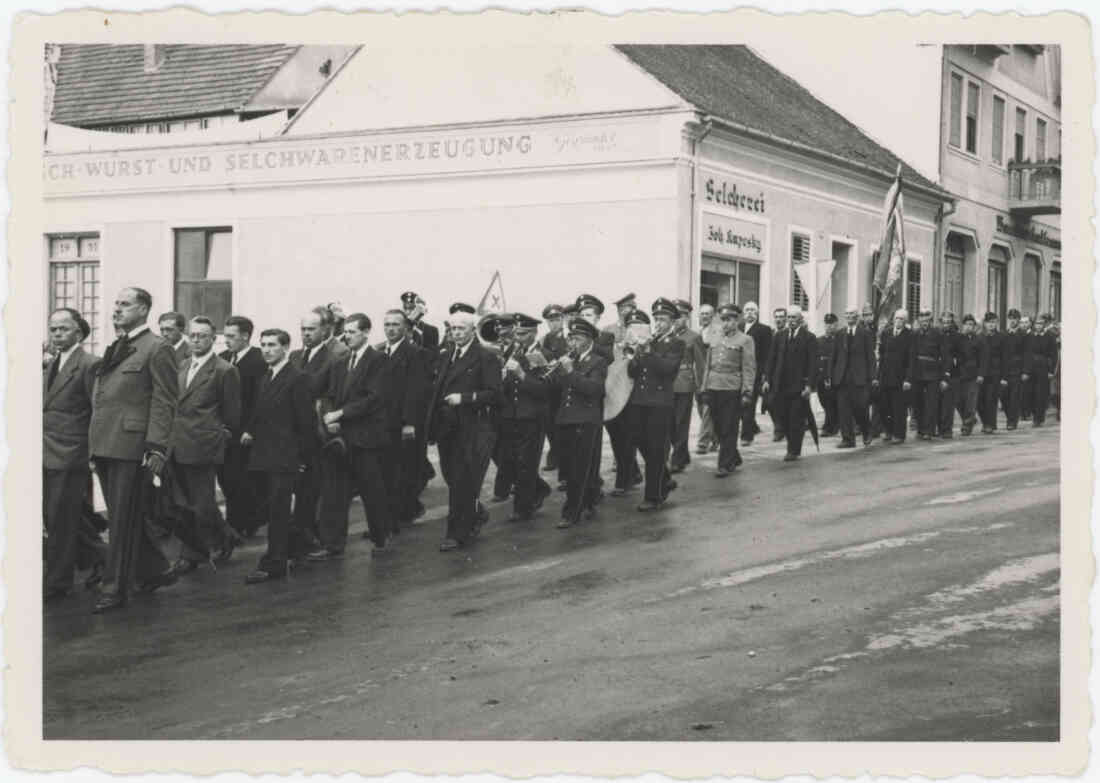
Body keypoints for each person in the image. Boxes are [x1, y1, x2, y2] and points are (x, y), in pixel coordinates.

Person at [88, 287, 178, 612]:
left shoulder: (157, 348)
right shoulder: (119, 346)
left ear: (143, 310)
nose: (116, 310)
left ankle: (114, 588)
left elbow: (165, 400)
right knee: (128, 516)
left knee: (121, 520)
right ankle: (154, 569)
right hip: (105, 442)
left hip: (132, 445)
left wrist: (156, 447)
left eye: (124, 304)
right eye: (115, 303)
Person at [311, 313, 393, 559]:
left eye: (352, 332)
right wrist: (329, 417)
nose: (347, 336)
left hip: (366, 438)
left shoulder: (378, 360)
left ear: (366, 332)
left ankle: (382, 539)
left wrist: (340, 414)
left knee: (372, 491)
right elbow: (328, 394)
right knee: (334, 492)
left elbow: (373, 398)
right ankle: (332, 543)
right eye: (345, 332)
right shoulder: (340, 362)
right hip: (341, 439)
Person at [166, 317, 243, 574]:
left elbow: (232, 414)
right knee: (182, 503)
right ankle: (225, 535)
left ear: (213, 339)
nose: (196, 340)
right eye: (193, 335)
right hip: (176, 444)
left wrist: (218, 437)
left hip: (203, 444)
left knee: (202, 503)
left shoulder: (223, 370)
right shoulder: (182, 365)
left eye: (202, 336)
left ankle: (192, 554)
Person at [242, 329, 316, 584]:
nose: (266, 350)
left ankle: (275, 563)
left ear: (285, 348)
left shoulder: (297, 378)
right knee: (273, 508)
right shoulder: (267, 377)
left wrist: (303, 459)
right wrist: (250, 431)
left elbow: (306, 422)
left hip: (286, 457)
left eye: (272, 345)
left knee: (278, 511)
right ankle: (299, 548)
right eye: (263, 345)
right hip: (266, 454)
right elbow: (262, 412)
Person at [427, 309, 501, 551]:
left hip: (473, 427)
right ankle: (475, 513)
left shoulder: (485, 356)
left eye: (461, 328)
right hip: (447, 427)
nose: (456, 333)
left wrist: (466, 398)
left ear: (472, 330)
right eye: (453, 328)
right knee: (451, 477)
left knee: (461, 481)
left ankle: (457, 533)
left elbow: (495, 394)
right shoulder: (446, 355)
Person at [43, 308, 101, 601]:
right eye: (53, 329)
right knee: (64, 517)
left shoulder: (89, 365)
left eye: (62, 329)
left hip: (70, 453)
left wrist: (91, 452)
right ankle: (102, 558)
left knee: (60, 520)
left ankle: (58, 582)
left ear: (78, 332)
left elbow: (97, 410)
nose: (56, 335)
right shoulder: (53, 363)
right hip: (45, 451)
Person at [287, 306, 350, 556]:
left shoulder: (335, 358)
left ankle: (330, 541)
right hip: (299, 432)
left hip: (322, 431)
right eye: (303, 329)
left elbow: (335, 394)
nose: (306, 334)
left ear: (325, 330)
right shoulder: (295, 356)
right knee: (304, 488)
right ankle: (306, 536)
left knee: (329, 490)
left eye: (311, 329)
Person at [625, 299, 684, 511]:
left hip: (660, 402)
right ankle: (664, 477)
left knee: (657, 449)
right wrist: (634, 355)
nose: (658, 323)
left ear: (672, 322)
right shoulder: (648, 341)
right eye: (656, 319)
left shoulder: (676, 343)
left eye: (663, 319)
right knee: (639, 441)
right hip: (640, 400)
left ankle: (654, 496)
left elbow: (667, 370)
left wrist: (648, 351)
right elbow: (633, 372)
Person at [497, 313, 552, 522]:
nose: (517, 337)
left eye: (522, 334)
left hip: (532, 416)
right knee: (510, 461)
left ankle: (523, 508)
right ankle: (539, 490)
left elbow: (544, 389)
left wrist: (521, 374)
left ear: (534, 333)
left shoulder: (541, 354)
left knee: (526, 464)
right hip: (512, 415)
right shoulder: (512, 352)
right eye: (516, 333)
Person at [584, 292, 640, 496]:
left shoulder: (635, 329)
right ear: (618, 310)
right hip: (608, 389)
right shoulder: (609, 331)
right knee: (616, 434)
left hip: (627, 387)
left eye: (633, 307)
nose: (630, 311)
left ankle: (625, 480)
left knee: (623, 435)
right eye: (626, 308)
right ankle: (631, 473)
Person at [377, 309, 429, 530]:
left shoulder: (414, 353)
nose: (390, 329)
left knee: (401, 471)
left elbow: (415, 390)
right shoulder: (381, 352)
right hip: (383, 422)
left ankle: (398, 516)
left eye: (396, 325)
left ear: (406, 329)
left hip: (402, 422)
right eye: (387, 324)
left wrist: (409, 422)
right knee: (386, 470)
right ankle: (398, 512)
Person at [553, 318, 607, 528]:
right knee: (570, 466)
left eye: (576, 338)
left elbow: (594, 390)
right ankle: (590, 500)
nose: (572, 343)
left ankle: (571, 512)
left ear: (588, 339)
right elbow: (558, 388)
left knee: (580, 468)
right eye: (571, 338)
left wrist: (569, 372)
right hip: (566, 418)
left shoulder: (598, 361)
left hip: (585, 420)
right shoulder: (570, 359)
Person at [218, 316, 267, 538]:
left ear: (246, 336)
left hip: (246, 431)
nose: (226, 341)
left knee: (244, 480)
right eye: (225, 336)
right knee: (226, 478)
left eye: (231, 336)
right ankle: (235, 524)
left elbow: (261, 399)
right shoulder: (223, 358)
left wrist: (252, 429)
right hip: (224, 431)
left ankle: (245, 523)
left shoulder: (259, 360)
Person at [698, 303, 756, 477]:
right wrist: (704, 387)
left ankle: (724, 464)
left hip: (732, 388)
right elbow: (708, 365)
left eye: (729, 320)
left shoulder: (745, 340)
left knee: (729, 427)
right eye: (723, 320)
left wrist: (747, 391)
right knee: (716, 425)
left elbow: (749, 367)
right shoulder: (715, 338)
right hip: (713, 386)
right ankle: (733, 456)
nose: (726, 323)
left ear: (737, 320)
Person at [763, 305, 816, 462]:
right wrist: (767, 379)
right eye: (789, 318)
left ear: (800, 319)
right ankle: (791, 441)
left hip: (798, 386)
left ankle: (793, 450)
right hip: (780, 384)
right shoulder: (780, 336)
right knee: (782, 416)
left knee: (795, 418)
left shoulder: (809, 338)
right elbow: (771, 359)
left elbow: (812, 364)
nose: (791, 321)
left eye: (794, 318)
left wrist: (809, 386)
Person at [829, 306, 875, 448]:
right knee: (843, 409)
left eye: (852, 314)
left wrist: (872, 376)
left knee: (860, 408)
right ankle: (847, 439)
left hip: (859, 378)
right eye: (847, 314)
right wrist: (830, 375)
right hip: (842, 377)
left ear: (857, 316)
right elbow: (834, 356)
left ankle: (867, 431)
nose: (849, 317)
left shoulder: (865, 333)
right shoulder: (840, 334)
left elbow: (870, 357)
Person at [669, 299, 705, 473]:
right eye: (674, 316)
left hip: (684, 383)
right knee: (669, 424)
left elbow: (701, 365)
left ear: (687, 317)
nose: (677, 320)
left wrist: (701, 388)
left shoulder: (694, 337)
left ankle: (677, 459)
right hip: (667, 385)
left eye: (681, 316)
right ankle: (682, 454)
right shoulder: (666, 335)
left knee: (680, 423)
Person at [907, 309, 950, 441]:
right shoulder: (914, 334)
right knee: (918, 402)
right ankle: (921, 429)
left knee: (931, 403)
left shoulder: (938, 334)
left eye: (927, 320)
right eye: (922, 320)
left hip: (933, 372)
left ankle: (929, 431)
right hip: (918, 372)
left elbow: (945, 356)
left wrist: (944, 377)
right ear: (919, 321)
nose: (924, 323)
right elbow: (911, 355)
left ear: (930, 321)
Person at [538, 303, 569, 473]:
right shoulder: (546, 339)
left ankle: (563, 464)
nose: (553, 323)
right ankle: (555, 454)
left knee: (563, 428)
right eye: (550, 321)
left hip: (565, 386)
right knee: (550, 424)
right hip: (551, 389)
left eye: (557, 319)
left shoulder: (569, 336)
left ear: (562, 319)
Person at [878, 309, 913, 444]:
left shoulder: (910, 335)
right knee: (885, 405)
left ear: (905, 321)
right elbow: (881, 355)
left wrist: (908, 379)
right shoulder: (886, 333)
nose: (898, 321)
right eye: (897, 318)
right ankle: (888, 431)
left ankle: (899, 434)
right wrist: (878, 375)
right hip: (886, 376)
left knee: (899, 407)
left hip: (901, 378)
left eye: (902, 319)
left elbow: (911, 359)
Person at [740, 301, 772, 446]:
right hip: (738, 371)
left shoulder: (764, 330)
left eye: (753, 310)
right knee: (740, 405)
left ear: (757, 313)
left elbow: (767, 354)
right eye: (747, 310)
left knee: (749, 403)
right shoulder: (739, 327)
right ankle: (753, 427)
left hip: (755, 372)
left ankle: (747, 436)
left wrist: (765, 373)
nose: (750, 313)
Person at [954, 314, 985, 436]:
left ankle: (967, 425)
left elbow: (983, 359)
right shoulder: (958, 339)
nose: (968, 327)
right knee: (958, 401)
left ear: (974, 326)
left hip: (974, 375)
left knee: (970, 402)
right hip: (960, 374)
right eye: (966, 324)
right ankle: (969, 419)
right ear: (963, 325)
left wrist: (981, 374)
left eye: (971, 324)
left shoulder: (979, 340)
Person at [694, 303, 718, 453]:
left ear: (713, 316)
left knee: (707, 409)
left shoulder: (716, 332)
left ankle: (703, 442)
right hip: (697, 376)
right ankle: (715, 438)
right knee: (701, 409)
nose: (704, 316)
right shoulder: (697, 332)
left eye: (707, 314)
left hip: (709, 376)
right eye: (702, 313)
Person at [1000, 308, 1029, 430]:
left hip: (1018, 370)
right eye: (1010, 319)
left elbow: (1028, 354)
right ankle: (1009, 417)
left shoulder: (1024, 335)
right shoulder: (1004, 334)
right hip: (1005, 370)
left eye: (1015, 319)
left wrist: (1026, 371)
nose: (1012, 321)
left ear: (1018, 320)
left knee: (1014, 397)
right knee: (1004, 396)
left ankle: (1012, 421)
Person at [764, 306, 789, 442]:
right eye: (777, 317)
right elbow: (769, 357)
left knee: (782, 403)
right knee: (770, 402)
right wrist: (766, 376)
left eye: (781, 317)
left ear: (785, 319)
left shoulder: (788, 333)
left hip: (785, 376)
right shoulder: (772, 333)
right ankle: (779, 428)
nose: (778, 319)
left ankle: (781, 429)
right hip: (772, 375)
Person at [1030, 313, 1058, 426]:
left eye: (1041, 323)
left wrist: (1051, 371)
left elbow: (1054, 355)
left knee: (1041, 393)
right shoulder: (1030, 336)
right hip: (1031, 368)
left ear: (1044, 324)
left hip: (1044, 367)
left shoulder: (1050, 336)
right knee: (1031, 393)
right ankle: (1034, 414)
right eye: (1037, 323)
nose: (1038, 326)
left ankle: (1039, 418)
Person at [937, 311, 962, 438]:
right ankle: (940, 428)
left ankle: (947, 429)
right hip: (937, 372)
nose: (946, 324)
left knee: (948, 403)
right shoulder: (937, 334)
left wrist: (955, 362)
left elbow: (961, 354)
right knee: (938, 402)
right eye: (944, 322)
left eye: (948, 322)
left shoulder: (956, 336)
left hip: (953, 373)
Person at [979, 312, 1004, 434]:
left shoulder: (1001, 337)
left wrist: (1003, 376)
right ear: (984, 323)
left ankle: (990, 424)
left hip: (995, 372)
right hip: (981, 373)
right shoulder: (980, 337)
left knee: (991, 399)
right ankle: (985, 422)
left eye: (994, 322)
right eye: (989, 322)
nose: (991, 325)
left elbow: (1005, 357)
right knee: (980, 399)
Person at [815, 313, 839, 437]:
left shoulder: (839, 340)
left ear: (836, 325)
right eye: (827, 324)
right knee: (823, 400)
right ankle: (832, 423)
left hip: (833, 376)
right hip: (820, 375)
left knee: (830, 401)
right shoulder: (819, 340)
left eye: (832, 324)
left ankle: (830, 426)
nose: (829, 327)